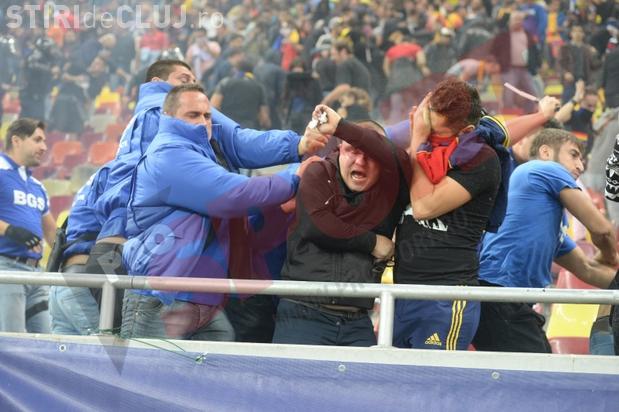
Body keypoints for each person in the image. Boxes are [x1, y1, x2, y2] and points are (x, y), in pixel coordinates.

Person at [120, 84, 326, 341]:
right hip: (162, 295)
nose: (202, 122)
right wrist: (294, 177)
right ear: (168, 117)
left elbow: (235, 216)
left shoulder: (207, 155)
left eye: (207, 116)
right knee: (152, 367)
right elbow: (233, 195)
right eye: (193, 115)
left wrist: (277, 206)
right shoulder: (169, 154)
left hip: (202, 295)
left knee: (219, 357)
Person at [273, 109, 411, 346]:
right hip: (303, 312)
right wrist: (372, 242)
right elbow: (317, 226)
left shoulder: (391, 190)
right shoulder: (318, 172)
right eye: (352, 150)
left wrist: (342, 126)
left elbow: (403, 162)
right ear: (339, 149)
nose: (360, 161)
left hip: (357, 320)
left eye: (372, 154)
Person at [474, 128, 618, 353]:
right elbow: (602, 231)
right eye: (573, 155)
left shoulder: (549, 219)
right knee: (535, 370)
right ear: (545, 152)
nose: (580, 166)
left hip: (512, 302)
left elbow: (587, 269)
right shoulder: (542, 168)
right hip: (498, 295)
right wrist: (611, 256)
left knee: (543, 364)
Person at [392, 79, 503, 351]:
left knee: (435, 377)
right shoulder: (421, 147)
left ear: (466, 131)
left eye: (436, 132)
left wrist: (418, 141)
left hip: (447, 296)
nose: (429, 136)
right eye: (426, 125)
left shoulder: (481, 158)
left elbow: (424, 207)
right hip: (402, 292)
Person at [0, 118, 56, 332]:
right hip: (6, 269)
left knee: (46, 341)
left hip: (36, 273)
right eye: (37, 140)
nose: (44, 147)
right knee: (12, 342)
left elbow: (51, 232)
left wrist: (70, 254)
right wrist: (9, 230)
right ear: (16, 140)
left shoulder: (37, 186)